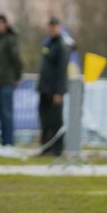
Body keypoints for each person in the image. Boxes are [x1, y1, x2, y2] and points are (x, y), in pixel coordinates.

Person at [37, 17, 69, 156]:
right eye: (50, 26)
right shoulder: (48, 44)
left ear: (59, 27)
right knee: (44, 121)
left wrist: (59, 92)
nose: (52, 29)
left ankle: (58, 149)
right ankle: (45, 148)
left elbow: (62, 71)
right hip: (44, 89)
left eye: (54, 26)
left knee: (56, 121)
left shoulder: (62, 46)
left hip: (55, 90)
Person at [0, 14, 22, 147]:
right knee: (1, 113)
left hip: (7, 82)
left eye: (1, 23)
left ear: (6, 24)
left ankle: (9, 141)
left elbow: (17, 61)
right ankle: (4, 141)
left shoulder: (10, 40)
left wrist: (17, 77)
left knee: (7, 112)